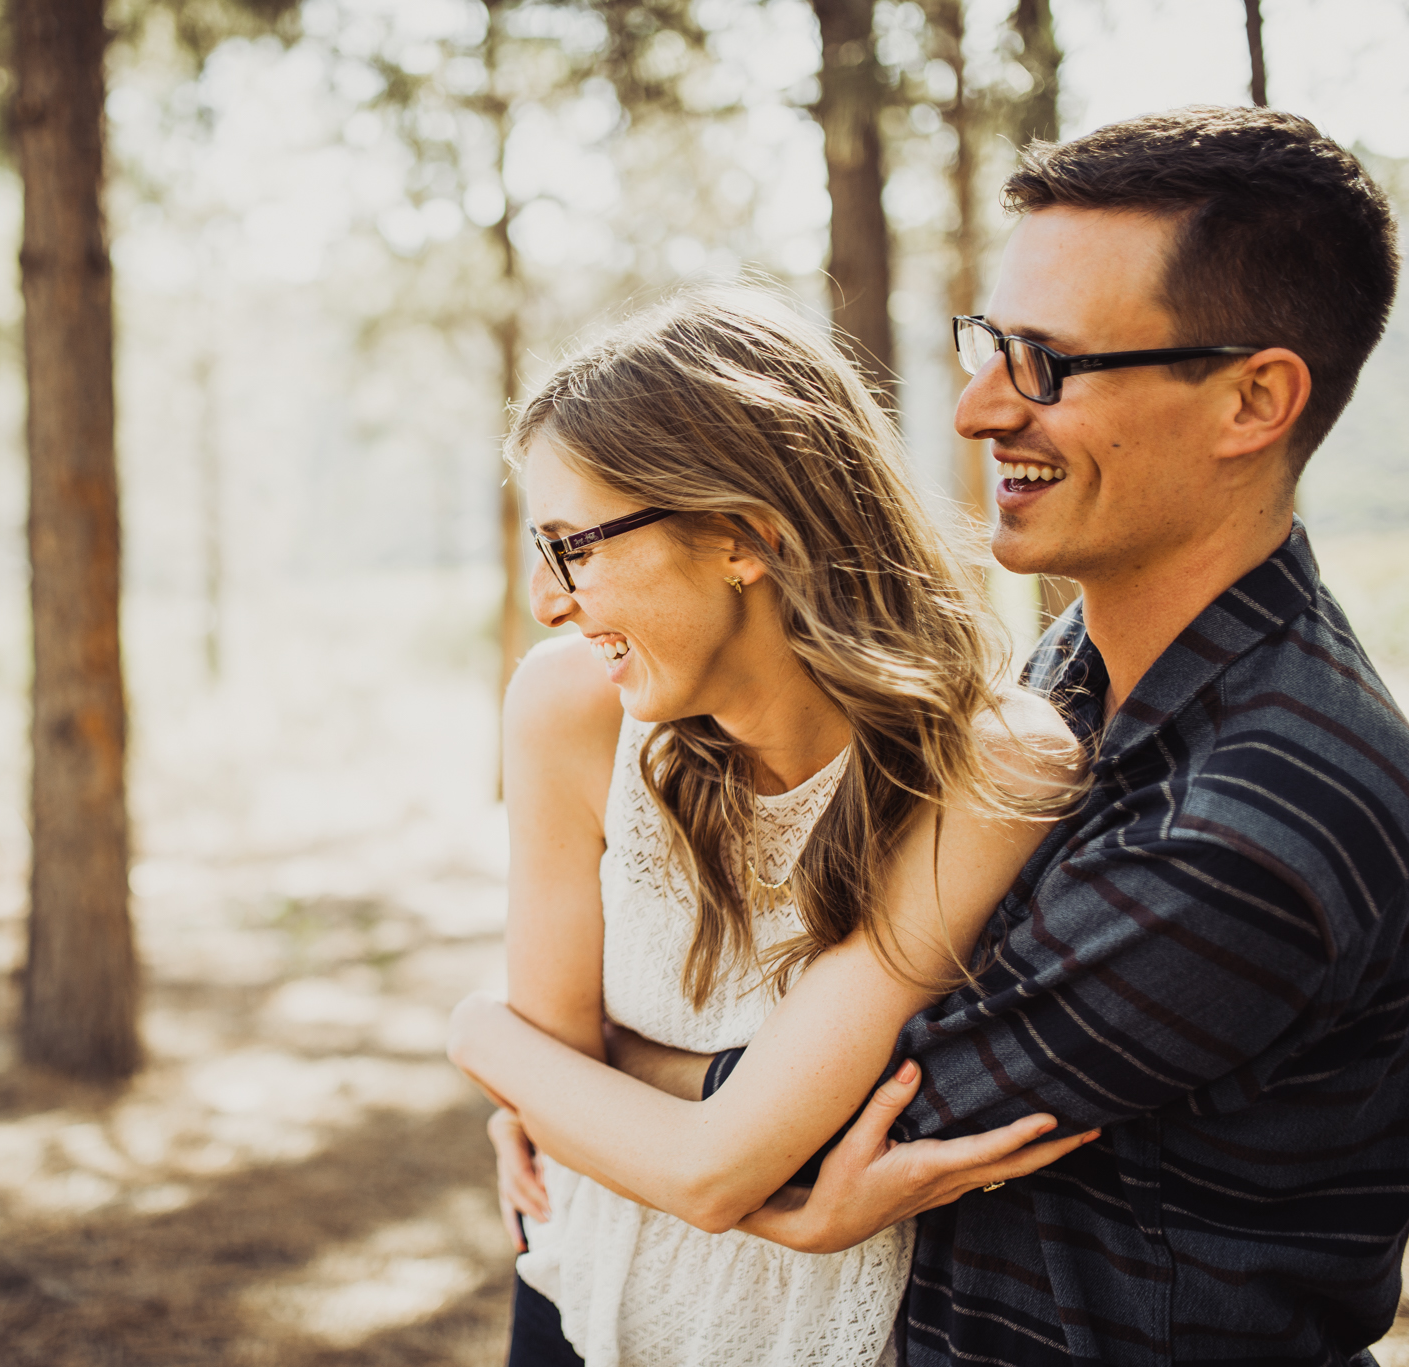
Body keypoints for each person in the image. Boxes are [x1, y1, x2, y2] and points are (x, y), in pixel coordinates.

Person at [463, 106, 1409, 1367]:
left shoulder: (1258, 815)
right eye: (987, 346)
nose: (972, 411)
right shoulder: (1076, 672)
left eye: (1047, 364)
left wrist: (506, 1044)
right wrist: (553, 1079)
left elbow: (814, 1113)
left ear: (1253, 398)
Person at [447, 287, 1088, 1367]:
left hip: (822, 1337)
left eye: (575, 547)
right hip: (574, 1295)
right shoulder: (567, 709)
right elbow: (561, 1093)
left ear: (739, 535)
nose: (549, 600)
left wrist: (475, 1032)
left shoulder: (984, 760)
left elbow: (705, 1162)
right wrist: (786, 1201)